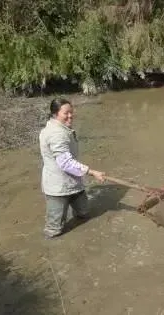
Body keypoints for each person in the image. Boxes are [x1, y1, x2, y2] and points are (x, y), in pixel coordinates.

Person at [39, 98, 106, 240]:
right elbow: (66, 163)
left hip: (73, 182)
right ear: (55, 114)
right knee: (54, 229)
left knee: (84, 213)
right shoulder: (56, 134)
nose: (70, 116)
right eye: (66, 113)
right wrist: (92, 172)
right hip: (58, 187)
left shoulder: (62, 128)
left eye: (71, 112)